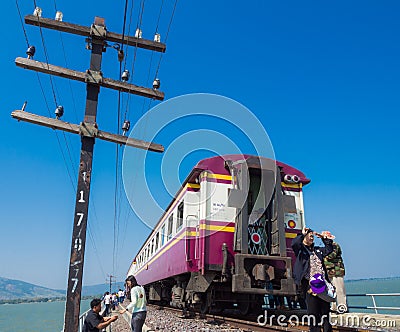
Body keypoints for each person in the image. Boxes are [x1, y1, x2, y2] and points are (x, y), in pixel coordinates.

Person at [292, 227, 333, 332]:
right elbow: (295, 244)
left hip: (322, 284)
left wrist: (324, 238)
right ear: (304, 237)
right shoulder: (301, 251)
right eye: (309, 235)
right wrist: (301, 234)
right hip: (310, 285)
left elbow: (329, 249)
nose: (312, 237)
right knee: (313, 314)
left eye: (312, 236)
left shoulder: (317, 250)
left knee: (325, 313)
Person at [322, 231, 347, 313]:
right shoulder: (326, 247)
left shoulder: (335, 246)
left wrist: (322, 257)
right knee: (332, 291)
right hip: (330, 272)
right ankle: (333, 308)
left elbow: (331, 256)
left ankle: (342, 307)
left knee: (339, 290)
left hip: (337, 272)